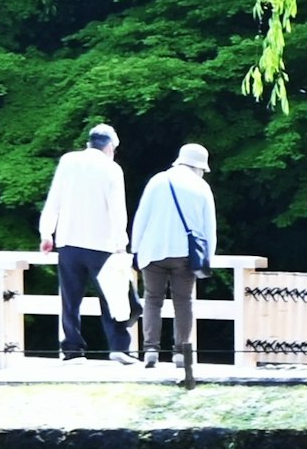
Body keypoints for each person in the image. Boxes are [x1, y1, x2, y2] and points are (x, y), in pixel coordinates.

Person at [39, 122, 132, 359]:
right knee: (112, 296)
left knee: (70, 299)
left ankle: (72, 349)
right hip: (102, 244)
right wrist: (121, 243)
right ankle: (119, 348)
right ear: (110, 146)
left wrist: (46, 233)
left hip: (68, 241)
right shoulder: (112, 169)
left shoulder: (68, 161)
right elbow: (117, 210)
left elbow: (54, 198)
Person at [131, 143, 218, 383]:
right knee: (184, 301)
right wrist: (208, 256)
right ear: (199, 166)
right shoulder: (201, 187)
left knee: (152, 300)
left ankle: (150, 350)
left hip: (153, 251)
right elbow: (209, 227)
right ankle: (180, 352)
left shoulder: (158, 181)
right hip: (184, 254)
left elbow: (142, 216)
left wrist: (135, 249)